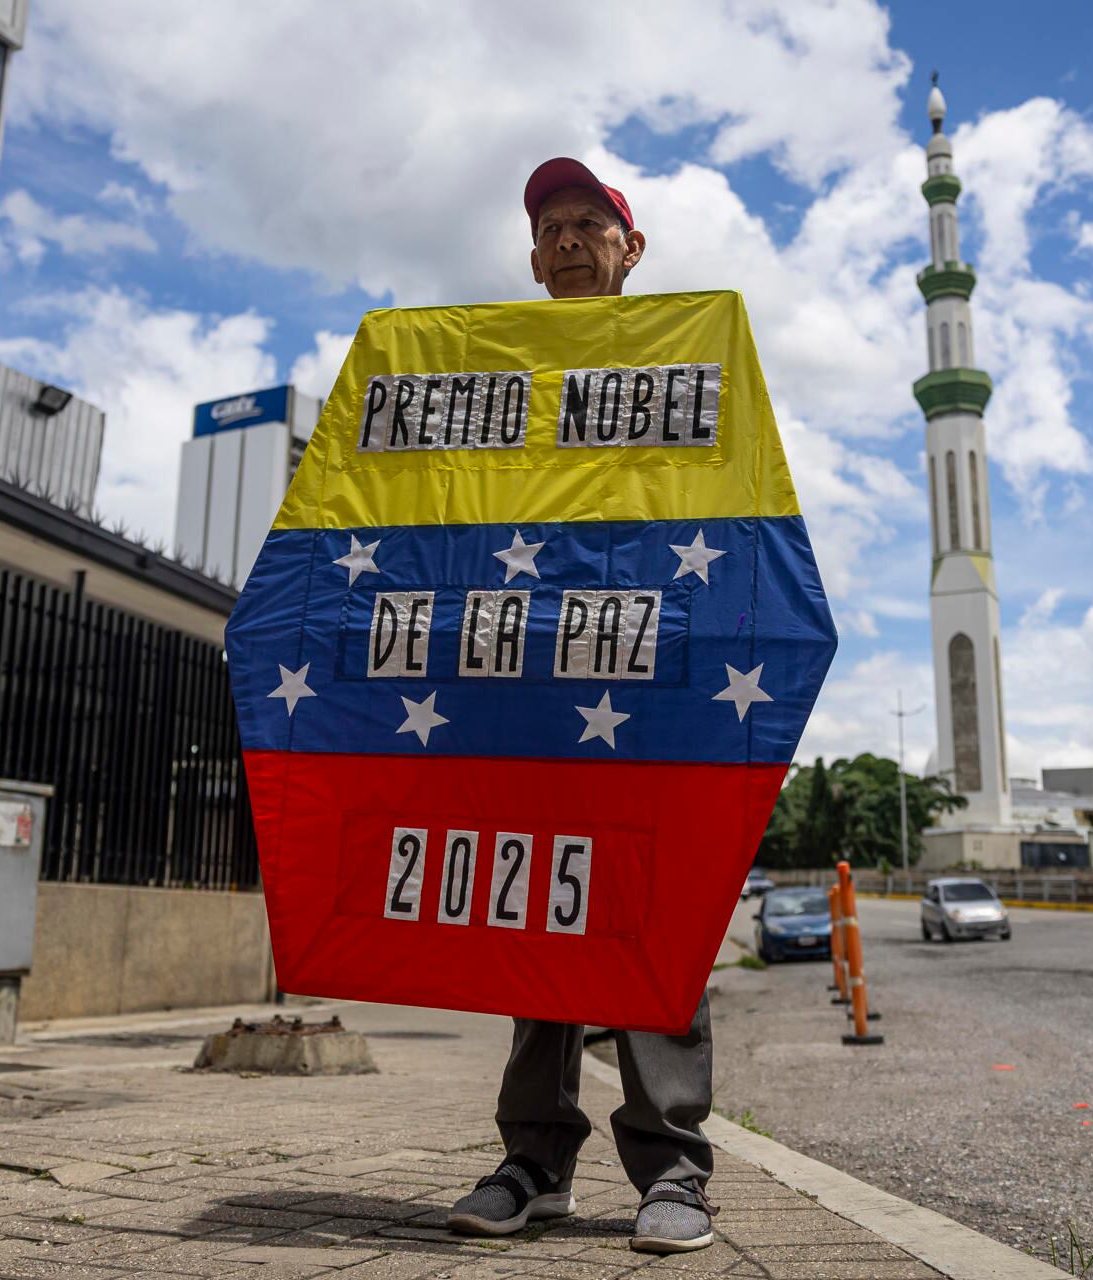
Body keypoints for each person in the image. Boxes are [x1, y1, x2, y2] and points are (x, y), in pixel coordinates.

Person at [444, 157, 717, 1256]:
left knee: (657, 914)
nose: (566, 238)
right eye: (550, 225)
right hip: (531, 684)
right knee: (536, 909)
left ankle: (675, 1169)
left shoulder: (686, 366)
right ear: (531, 255)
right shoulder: (495, 376)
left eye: (588, 222)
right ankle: (533, 1160)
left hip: (649, 684)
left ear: (630, 249)